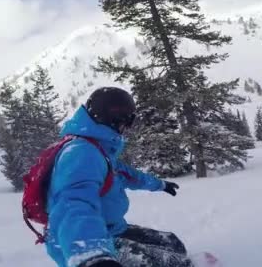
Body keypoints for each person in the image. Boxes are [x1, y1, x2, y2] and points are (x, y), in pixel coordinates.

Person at [45, 87, 192, 267]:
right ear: (114, 118)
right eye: (128, 120)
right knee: (174, 264)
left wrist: (160, 185)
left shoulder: (99, 150)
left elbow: (127, 175)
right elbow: (73, 203)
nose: (127, 127)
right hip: (86, 241)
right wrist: (91, 255)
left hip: (113, 229)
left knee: (171, 243)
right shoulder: (81, 153)